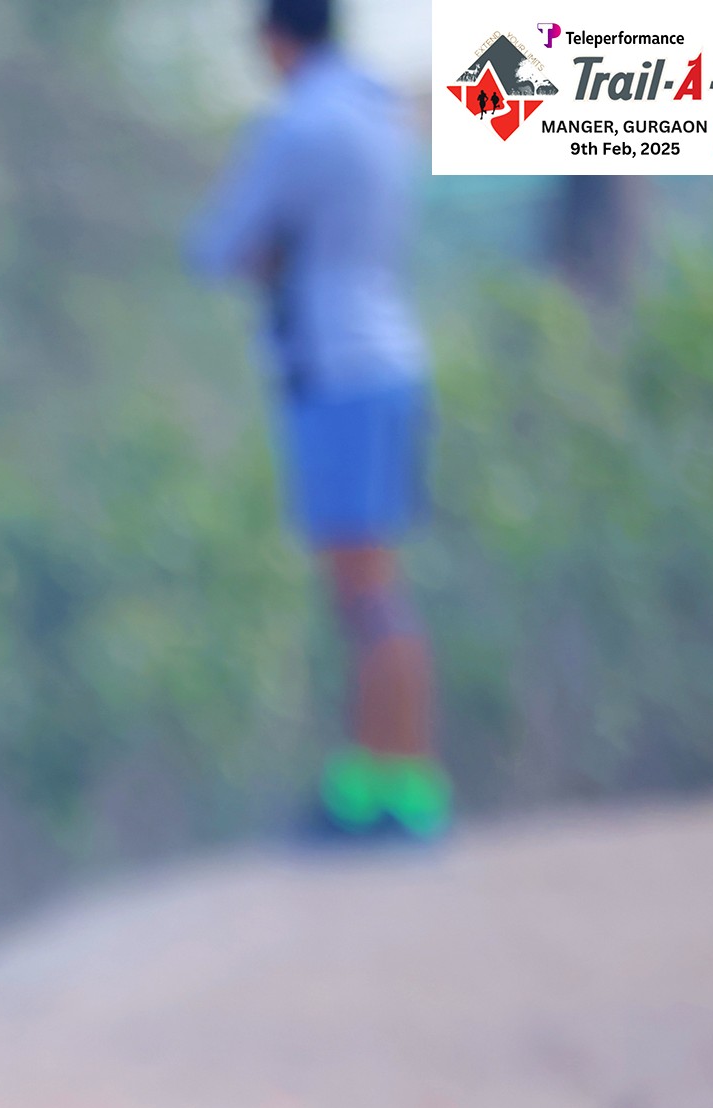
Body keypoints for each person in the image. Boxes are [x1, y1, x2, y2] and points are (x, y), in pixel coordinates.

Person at [189, 0, 450, 841]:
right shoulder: (380, 111)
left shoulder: (299, 125)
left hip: (337, 369)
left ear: (276, 42)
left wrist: (266, 251)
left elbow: (221, 247)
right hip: (392, 357)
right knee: (375, 588)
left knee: (365, 594)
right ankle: (386, 784)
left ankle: (391, 793)